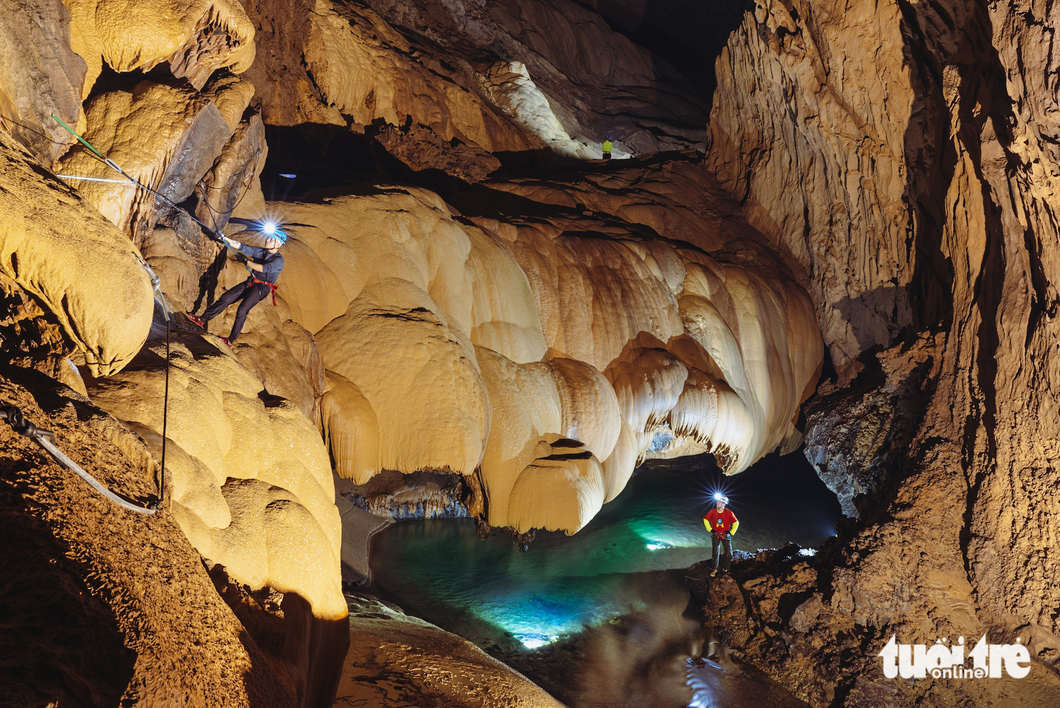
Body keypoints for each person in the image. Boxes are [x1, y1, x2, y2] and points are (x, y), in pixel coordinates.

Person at [188, 229, 286, 346]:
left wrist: (246, 261)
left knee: (242, 309)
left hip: (261, 288)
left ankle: (230, 340)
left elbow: (263, 268)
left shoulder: (279, 260)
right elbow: (243, 247)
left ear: (278, 244)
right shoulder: (261, 252)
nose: (267, 239)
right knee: (226, 298)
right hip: (251, 282)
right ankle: (202, 320)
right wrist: (224, 238)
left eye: (271, 239)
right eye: (268, 237)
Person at [704, 494, 739, 577]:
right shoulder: (712, 511)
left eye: (719, 502)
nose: (717, 503)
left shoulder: (729, 513)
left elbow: (736, 523)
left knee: (729, 553)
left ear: (724, 504)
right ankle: (715, 569)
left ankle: (726, 568)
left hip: (725, 535)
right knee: (715, 553)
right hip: (716, 535)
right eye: (717, 501)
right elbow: (705, 519)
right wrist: (710, 529)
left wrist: (731, 532)